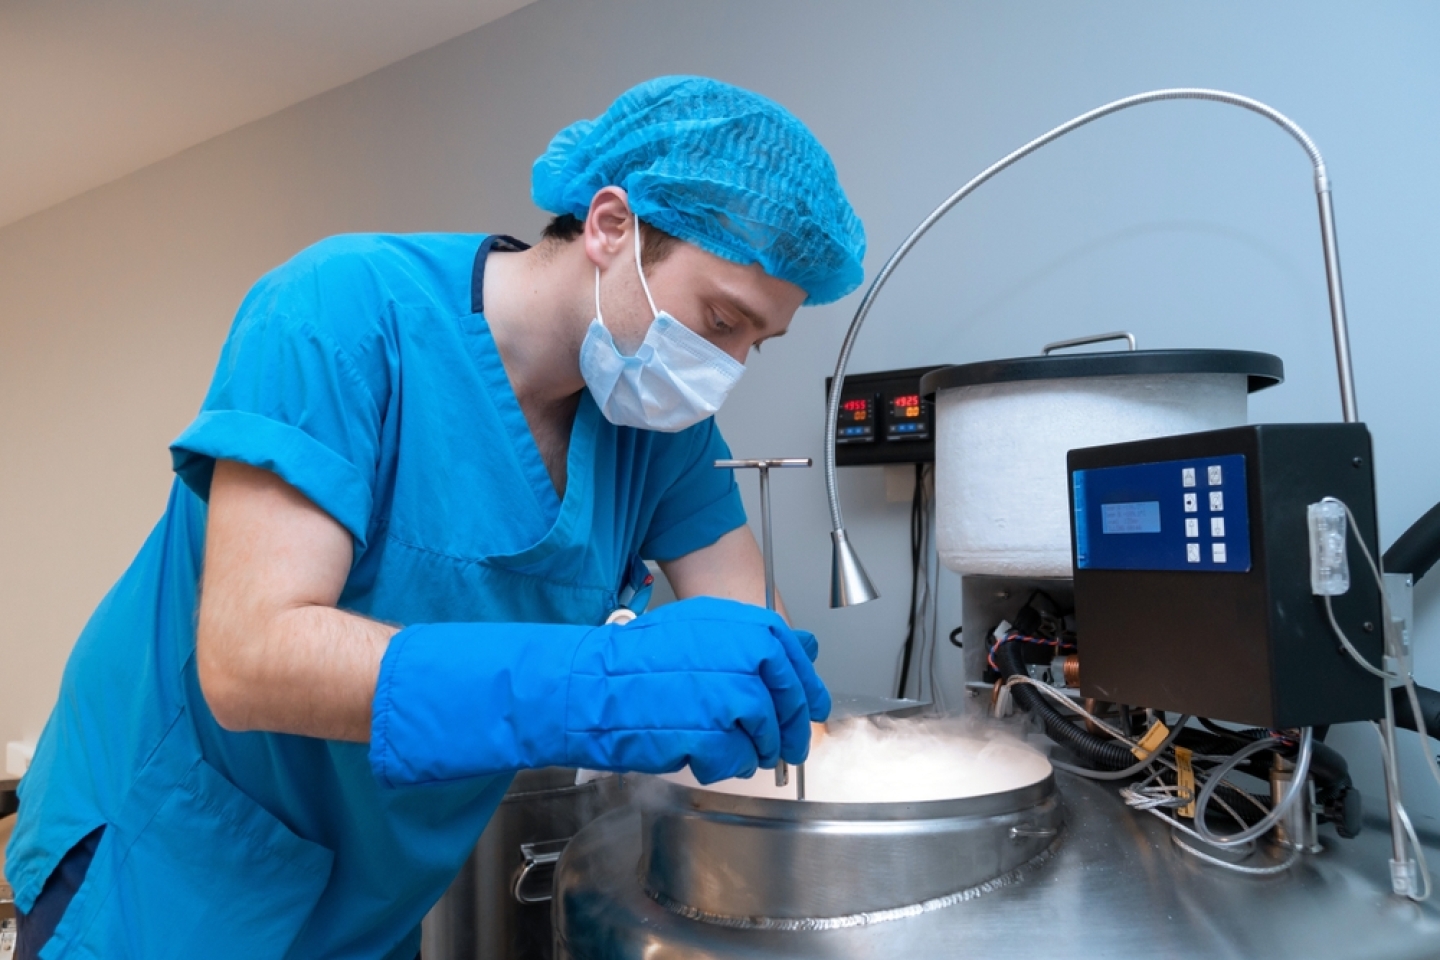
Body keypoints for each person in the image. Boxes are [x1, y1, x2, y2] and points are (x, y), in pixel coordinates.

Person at [5, 75, 865, 958]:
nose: (728, 366)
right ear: (611, 227)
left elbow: (750, 642)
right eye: (720, 320)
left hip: (377, 885)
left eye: (755, 342)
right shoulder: (341, 312)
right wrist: (600, 684)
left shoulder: (658, 432)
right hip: (179, 858)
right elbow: (250, 656)